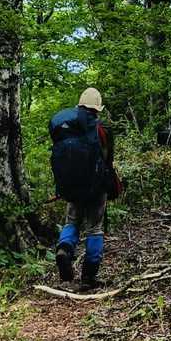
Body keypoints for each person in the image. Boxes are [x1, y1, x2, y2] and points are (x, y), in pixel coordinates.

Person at [50, 86, 117, 289]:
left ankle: (64, 249)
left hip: (71, 185)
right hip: (96, 187)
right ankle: (88, 276)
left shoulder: (66, 126)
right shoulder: (102, 130)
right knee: (94, 228)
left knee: (71, 221)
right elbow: (108, 160)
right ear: (98, 108)